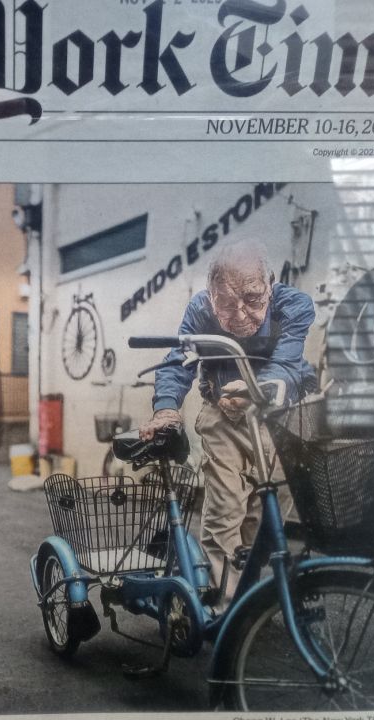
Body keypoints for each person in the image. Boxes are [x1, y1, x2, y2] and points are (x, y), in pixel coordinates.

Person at [139, 238, 317, 606]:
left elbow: (285, 364)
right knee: (225, 512)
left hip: (280, 419)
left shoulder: (293, 305)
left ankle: (246, 598)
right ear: (210, 295)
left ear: (269, 284)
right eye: (226, 304)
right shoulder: (200, 310)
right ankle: (223, 606)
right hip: (225, 416)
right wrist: (167, 408)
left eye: (252, 300)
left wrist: (258, 387)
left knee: (267, 518)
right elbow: (178, 361)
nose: (239, 316)